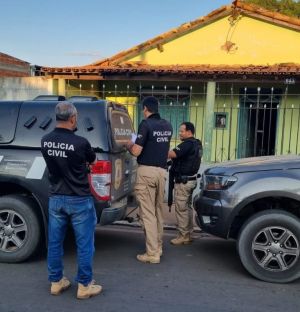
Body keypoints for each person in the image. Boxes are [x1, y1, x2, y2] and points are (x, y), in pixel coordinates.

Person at [41, 101, 102, 299]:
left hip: (56, 198)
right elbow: (93, 160)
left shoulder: (45, 140)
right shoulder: (81, 143)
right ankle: (84, 285)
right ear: (73, 118)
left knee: (55, 242)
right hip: (79, 199)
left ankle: (56, 282)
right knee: (84, 245)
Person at [126, 96, 172, 264]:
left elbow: (137, 151)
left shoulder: (145, 125)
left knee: (147, 214)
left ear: (146, 109)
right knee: (158, 212)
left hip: (146, 172)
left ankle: (152, 253)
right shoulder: (167, 125)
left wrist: (128, 144)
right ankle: (158, 246)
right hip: (162, 173)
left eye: (143, 109)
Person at [168, 122, 202, 245]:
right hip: (191, 180)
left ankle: (183, 236)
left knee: (181, 209)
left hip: (183, 182)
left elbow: (171, 154)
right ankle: (188, 233)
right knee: (187, 207)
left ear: (189, 132)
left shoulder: (187, 144)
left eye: (182, 131)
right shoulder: (197, 143)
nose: (180, 133)